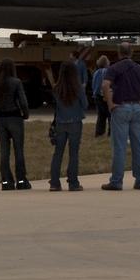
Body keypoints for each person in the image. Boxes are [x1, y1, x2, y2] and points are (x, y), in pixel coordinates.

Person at [100, 44, 140, 191]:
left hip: (121, 107)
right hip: (138, 108)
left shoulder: (114, 68)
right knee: (139, 145)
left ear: (119, 53)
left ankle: (116, 181)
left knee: (119, 146)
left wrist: (110, 103)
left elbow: (105, 85)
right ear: (132, 52)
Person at [0, 58, 31, 190]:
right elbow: (23, 101)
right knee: (19, 150)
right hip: (15, 117)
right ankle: (21, 181)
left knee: (4, 151)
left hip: (1, 120)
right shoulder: (16, 82)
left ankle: (6, 182)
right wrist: (25, 114)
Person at [49, 60, 87, 191]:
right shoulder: (78, 88)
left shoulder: (56, 88)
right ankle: (73, 182)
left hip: (60, 122)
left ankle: (54, 182)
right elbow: (85, 104)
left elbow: (55, 106)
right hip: (75, 121)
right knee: (74, 153)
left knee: (58, 153)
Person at [91, 55, 111, 137]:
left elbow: (93, 85)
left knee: (101, 116)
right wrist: (105, 96)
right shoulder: (106, 71)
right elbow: (104, 84)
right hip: (104, 96)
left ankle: (99, 133)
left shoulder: (96, 72)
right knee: (110, 115)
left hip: (96, 96)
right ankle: (111, 133)